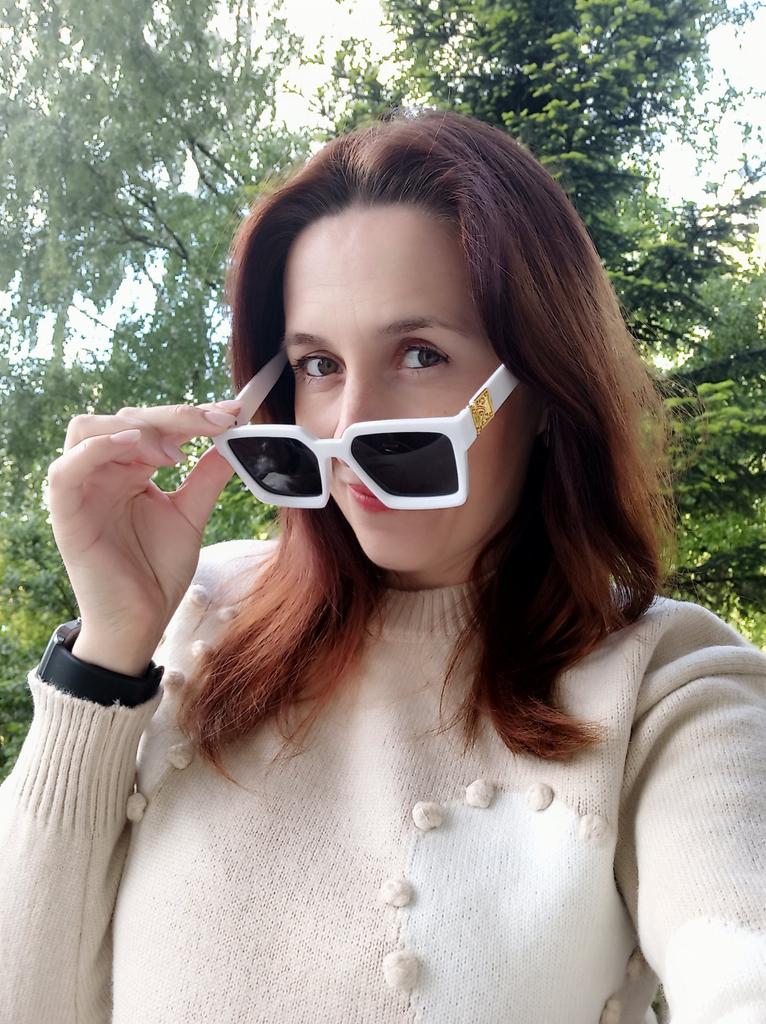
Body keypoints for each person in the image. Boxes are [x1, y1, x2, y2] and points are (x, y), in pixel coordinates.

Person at [0, 106, 764, 1024]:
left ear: (543, 388)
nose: (352, 424)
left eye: (419, 354)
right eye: (318, 365)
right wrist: (109, 651)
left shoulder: (667, 686)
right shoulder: (192, 619)